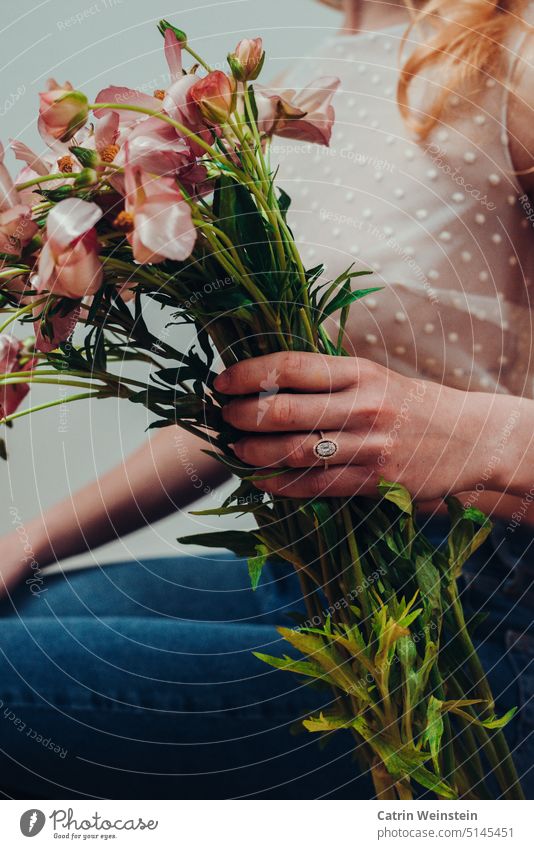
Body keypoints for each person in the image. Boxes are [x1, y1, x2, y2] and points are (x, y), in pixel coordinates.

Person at [1, 0, 533, 799]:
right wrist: (29, 539)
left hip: (484, 600)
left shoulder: (506, 54)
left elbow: (408, 426)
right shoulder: (299, 82)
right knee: (28, 611)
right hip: (324, 563)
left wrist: (481, 435)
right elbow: (274, 404)